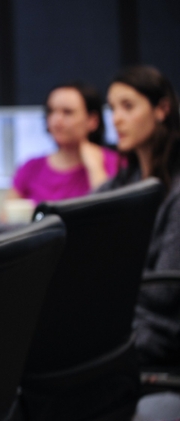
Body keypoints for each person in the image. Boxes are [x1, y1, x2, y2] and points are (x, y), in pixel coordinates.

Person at [0, 82, 121, 248]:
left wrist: (95, 167)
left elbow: (108, 222)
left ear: (92, 120)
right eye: (51, 111)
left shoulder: (114, 163)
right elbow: (5, 223)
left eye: (67, 112)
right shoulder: (31, 167)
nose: (56, 120)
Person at [100, 65, 180, 366]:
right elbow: (69, 217)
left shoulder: (176, 191)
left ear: (162, 109)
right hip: (123, 318)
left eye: (128, 106)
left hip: (157, 331)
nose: (116, 118)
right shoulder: (125, 182)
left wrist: (98, 283)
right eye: (112, 108)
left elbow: (162, 293)